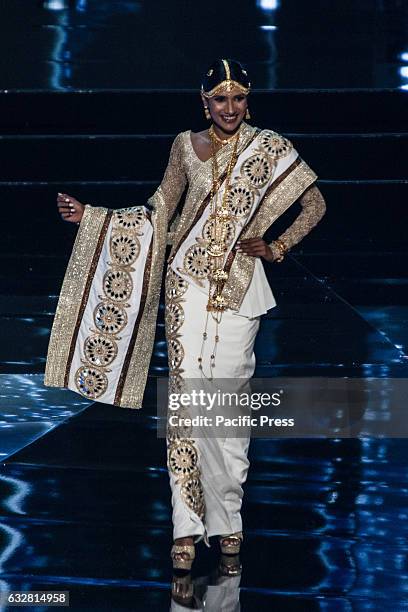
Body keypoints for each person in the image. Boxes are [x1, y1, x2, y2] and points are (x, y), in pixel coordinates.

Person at [45, 58, 326, 571]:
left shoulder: (270, 147)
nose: (230, 108)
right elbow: (157, 213)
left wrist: (279, 245)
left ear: (249, 99)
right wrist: (94, 217)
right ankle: (186, 528)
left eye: (238, 98)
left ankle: (229, 522)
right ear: (204, 102)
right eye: (220, 99)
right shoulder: (184, 147)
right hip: (185, 288)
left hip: (240, 291)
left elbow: (316, 204)